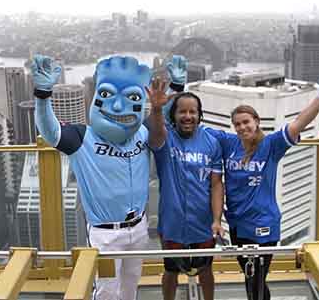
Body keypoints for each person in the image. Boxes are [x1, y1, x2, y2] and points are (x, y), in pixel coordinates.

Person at [204, 75, 319, 300]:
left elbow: (300, 122)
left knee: (255, 278)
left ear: (256, 121)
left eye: (246, 122)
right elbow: (192, 126)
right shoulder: (228, 143)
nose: (243, 127)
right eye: (238, 124)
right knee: (251, 278)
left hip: (264, 225)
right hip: (237, 223)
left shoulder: (270, 145)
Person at [31, 54, 153, 300]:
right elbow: (50, 131)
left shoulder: (142, 133)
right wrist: (43, 94)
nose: (118, 107)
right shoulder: (82, 137)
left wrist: (176, 89)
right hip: (106, 234)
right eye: (107, 95)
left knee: (131, 286)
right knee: (107, 290)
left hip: (139, 227)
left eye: (132, 98)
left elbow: (168, 120)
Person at [146, 58, 224, 300]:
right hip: (172, 222)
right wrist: (158, 109)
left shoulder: (211, 142)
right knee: (170, 271)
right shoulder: (165, 138)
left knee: (205, 269)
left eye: (193, 112)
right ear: (175, 115)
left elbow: (216, 184)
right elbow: (155, 131)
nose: (187, 116)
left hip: (203, 223)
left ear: (200, 115)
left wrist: (216, 219)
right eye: (182, 111)